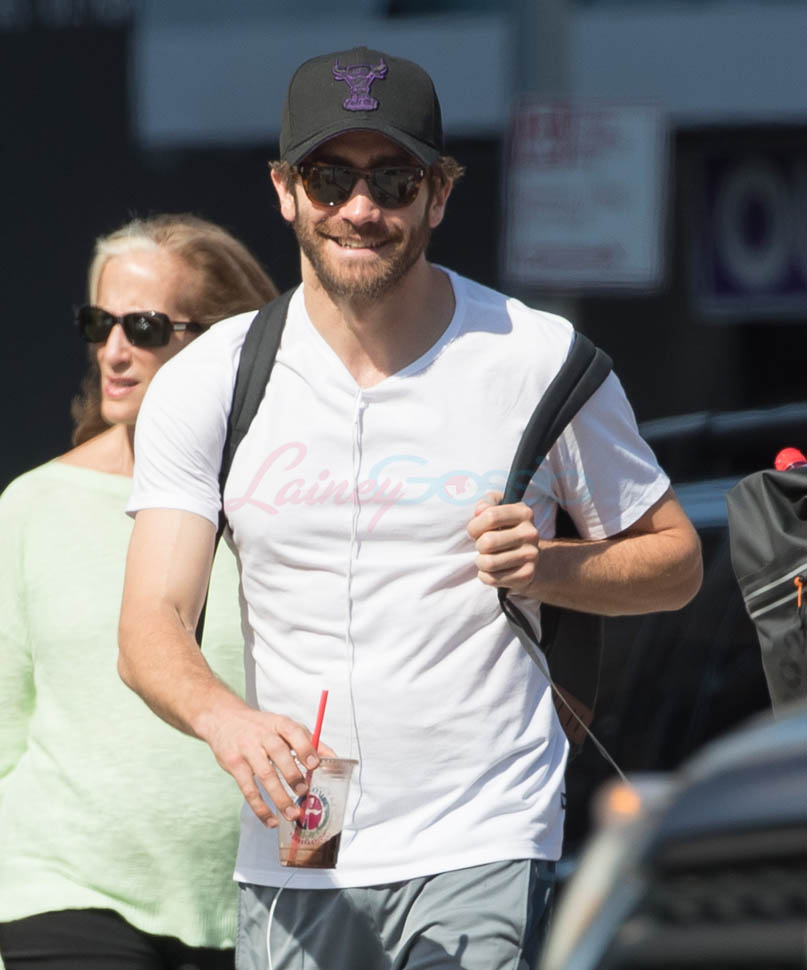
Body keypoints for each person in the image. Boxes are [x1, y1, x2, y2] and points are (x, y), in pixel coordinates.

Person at [118, 48, 704, 970]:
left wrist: (548, 566)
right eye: (329, 179)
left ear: (438, 194)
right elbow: (150, 623)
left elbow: (675, 562)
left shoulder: (537, 360)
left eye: (392, 180)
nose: (360, 209)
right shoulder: (212, 380)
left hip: (483, 829)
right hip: (301, 840)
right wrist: (226, 720)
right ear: (284, 190)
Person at [0, 213, 278, 970]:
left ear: (220, 340)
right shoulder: (33, 504)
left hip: (258, 901)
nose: (114, 352)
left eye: (145, 328)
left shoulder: (284, 504)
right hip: (60, 889)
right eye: (99, 324)